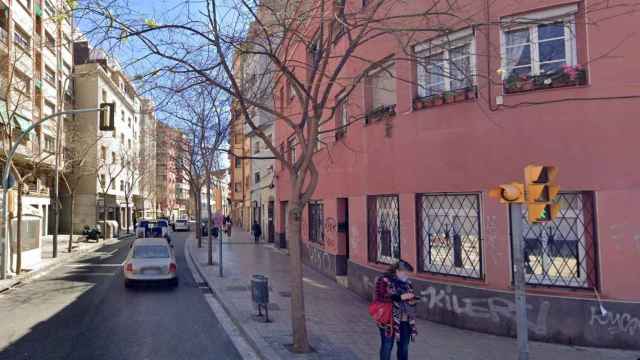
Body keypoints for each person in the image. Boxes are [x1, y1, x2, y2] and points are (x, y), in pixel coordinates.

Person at [374, 260, 418, 360]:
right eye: (405, 273)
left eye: (408, 274)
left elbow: (409, 299)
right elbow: (381, 297)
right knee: (387, 345)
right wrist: (400, 297)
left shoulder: (407, 283)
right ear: (397, 271)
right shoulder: (384, 280)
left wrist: (412, 300)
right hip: (388, 320)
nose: (407, 276)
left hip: (404, 320)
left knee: (404, 347)